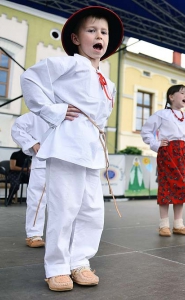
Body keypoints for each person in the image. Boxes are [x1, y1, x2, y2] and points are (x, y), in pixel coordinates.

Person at [20, 6, 124, 291]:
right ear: (77, 39)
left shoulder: (109, 82)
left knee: (91, 210)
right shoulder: (70, 64)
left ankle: (80, 262)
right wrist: (53, 111)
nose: (98, 35)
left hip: (91, 150)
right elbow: (30, 77)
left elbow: (100, 116)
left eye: (103, 31)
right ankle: (56, 267)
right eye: (91, 30)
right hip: (66, 145)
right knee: (64, 208)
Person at [141, 84, 185, 237]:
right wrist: (157, 144)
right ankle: (163, 225)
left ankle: (178, 224)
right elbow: (146, 131)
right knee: (166, 186)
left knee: (181, 185)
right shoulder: (161, 114)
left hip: (182, 154)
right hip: (168, 152)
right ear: (171, 97)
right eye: (181, 92)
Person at [11, 112, 49, 248]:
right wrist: (32, 143)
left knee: (66, 200)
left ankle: (63, 235)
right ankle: (34, 234)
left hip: (67, 162)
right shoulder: (37, 114)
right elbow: (17, 128)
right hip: (42, 161)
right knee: (37, 198)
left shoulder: (71, 110)